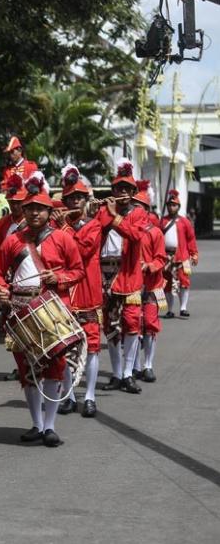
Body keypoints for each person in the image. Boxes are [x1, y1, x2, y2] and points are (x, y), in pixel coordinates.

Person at [0, 173, 83, 447]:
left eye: (39, 208)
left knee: (55, 367)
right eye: (29, 208)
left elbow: (77, 270)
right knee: (27, 370)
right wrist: (1, 288)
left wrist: (60, 279)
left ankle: (51, 426)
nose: (33, 213)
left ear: (48, 211)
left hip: (52, 308)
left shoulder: (63, 239)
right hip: (19, 309)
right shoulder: (12, 241)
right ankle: (36, 423)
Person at [98, 158, 147, 395]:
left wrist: (113, 216)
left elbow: (135, 236)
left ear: (133, 192)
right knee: (110, 326)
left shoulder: (138, 213)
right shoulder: (103, 211)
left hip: (127, 274)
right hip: (105, 273)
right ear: (113, 190)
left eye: (127, 189)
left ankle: (128, 373)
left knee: (131, 323)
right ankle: (117, 373)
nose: (123, 193)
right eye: (119, 188)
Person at [56, 165, 102, 418]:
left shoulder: (94, 226)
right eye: (71, 198)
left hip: (87, 292)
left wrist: (63, 228)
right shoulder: (58, 226)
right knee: (64, 346)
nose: (75, 202)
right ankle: (69, 395)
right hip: (64, 290)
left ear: (86, 201)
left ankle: (91, 396)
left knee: (92, 345)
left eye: (79, 198)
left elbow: (81, 249)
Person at [0, 172, 27, 381]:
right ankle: (20, 364)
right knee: (10, 324)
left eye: (19, 202)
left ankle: (32, 362)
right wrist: (0, 273)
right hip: (7, 280)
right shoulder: (2, 224)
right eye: (12, 202)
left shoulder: (32, 223)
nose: (15, 206)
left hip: (27, 280)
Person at [134, 181, 167, 383]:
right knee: (133, 326)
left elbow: (160, 259)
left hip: (152, 285)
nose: (135, 209)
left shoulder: (155, 232)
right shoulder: (126, 232)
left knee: (150, 324)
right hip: (132, 286)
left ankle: (148, 365)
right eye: (133, 205)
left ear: (147, 210)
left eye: (139, 206)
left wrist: (149, 265)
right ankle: (135, 366)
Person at [160, 189, 198, 318]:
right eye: (170, 205)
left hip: (182, 257)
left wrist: (194, 254)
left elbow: (191, 239)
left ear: (178, 206)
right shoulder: (162, 222)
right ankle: (170, 310)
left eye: (174, 205)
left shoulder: (185, 222)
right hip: (166, 257)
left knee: (184, 282)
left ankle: (183, 308)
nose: (172, 207)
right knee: (167, 284)